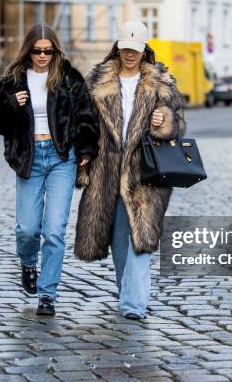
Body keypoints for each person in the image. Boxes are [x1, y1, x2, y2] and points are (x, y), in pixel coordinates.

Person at [0, 23, 99, 316]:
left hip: (62, 157)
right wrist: (10, 105)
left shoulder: (69, 78)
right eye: (37, 50)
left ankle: (48, 294)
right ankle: (28, 262)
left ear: (55, 51)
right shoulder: (13, 80)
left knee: (55, 230)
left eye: (48, 51)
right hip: (30, 158)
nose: (43, 56)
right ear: (28, 50)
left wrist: (85, 149)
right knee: (27, 229)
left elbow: (87, 115)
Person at [74, 21, 185, 320]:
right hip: (106, 171)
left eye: (135, 49)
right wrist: (83, 156)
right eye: (125, 48)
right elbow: (82, 122)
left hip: (144, 173)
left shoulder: (161, 82)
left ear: (144, 49)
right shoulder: (97, 80)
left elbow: (179, 125)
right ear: (118, 47)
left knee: (141, 240)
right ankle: (128, 294)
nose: (130, 54)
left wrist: (166, 120)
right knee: (119, 240)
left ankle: (133, 304)